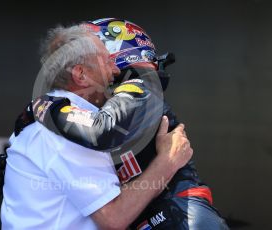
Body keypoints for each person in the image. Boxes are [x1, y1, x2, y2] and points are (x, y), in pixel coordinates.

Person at [0, 24, 192, 229]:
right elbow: (113, 218)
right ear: (81, 75)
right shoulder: (72, 131)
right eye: (107, 61)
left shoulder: (46, 117)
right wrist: (168, 161)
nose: (116, 70)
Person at [40, 18, 228, 229]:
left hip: (179, 212)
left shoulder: (142, 86)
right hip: (144, 215)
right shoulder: (95, 107)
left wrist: (44, 108)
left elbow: (101, 130)